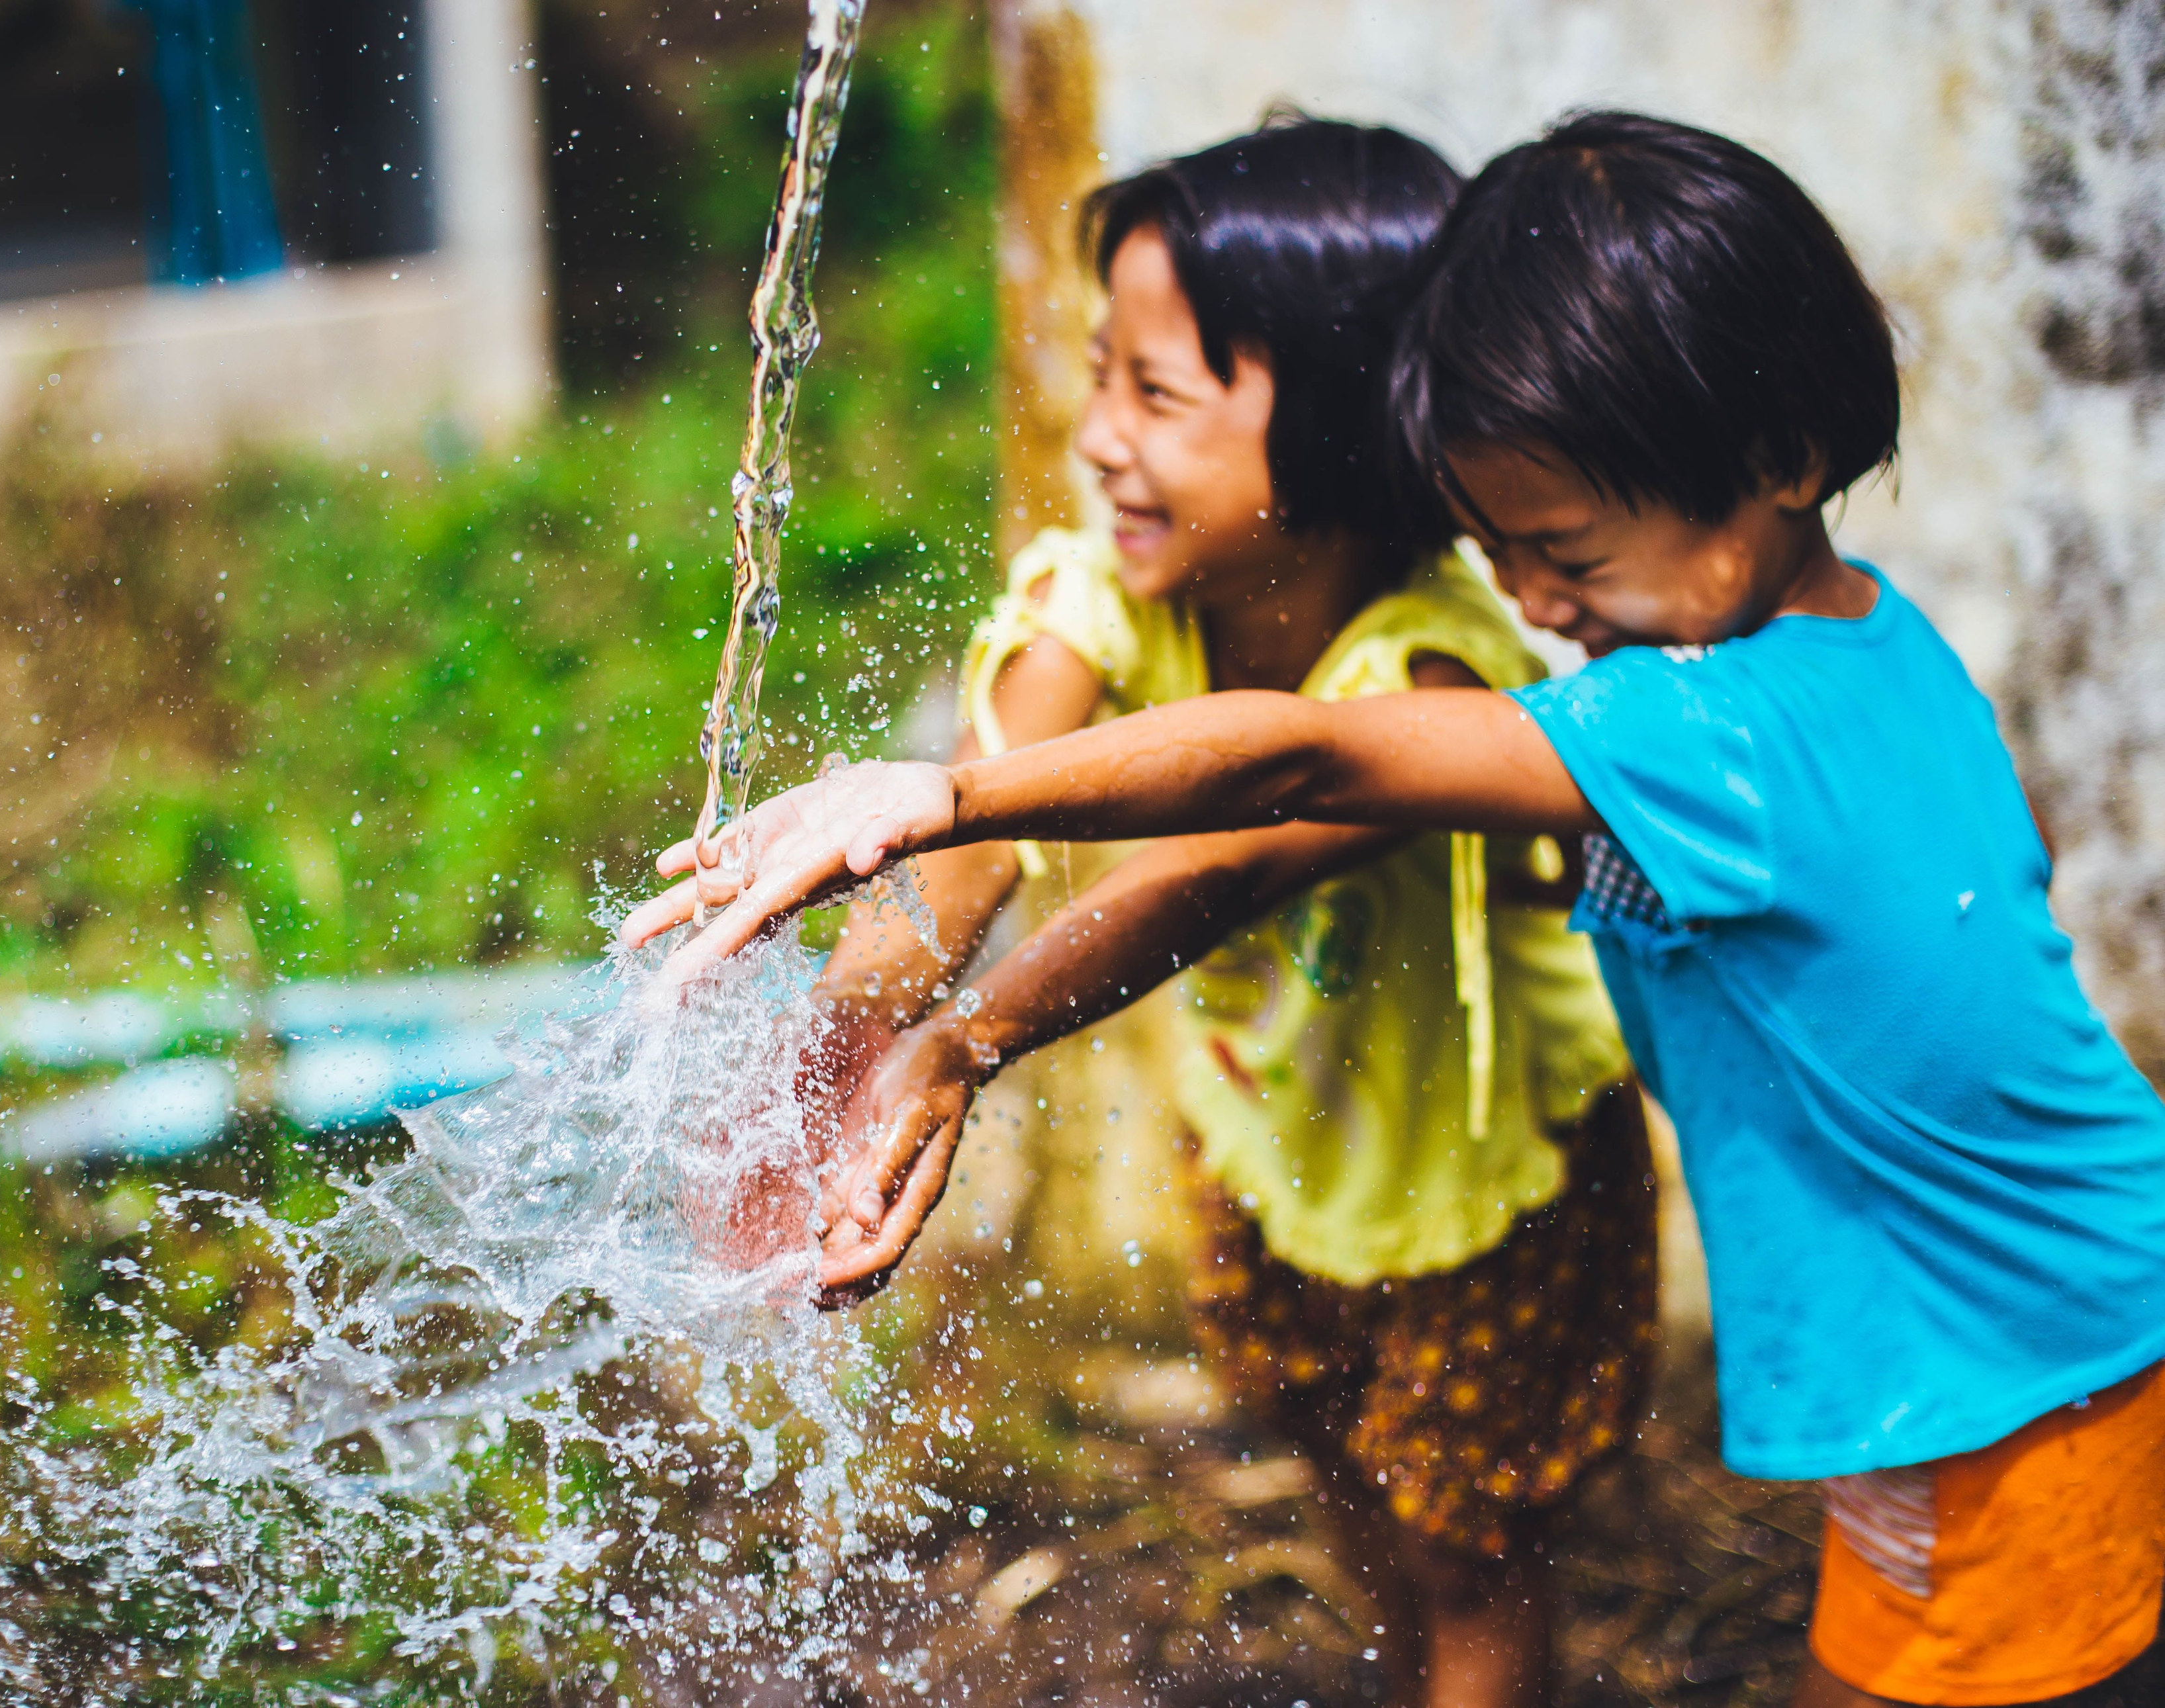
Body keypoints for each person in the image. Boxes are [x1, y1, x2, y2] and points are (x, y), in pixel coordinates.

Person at [626, 111, 2165, 1708]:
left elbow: (1298, 759)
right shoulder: (1866, 648)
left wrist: (944, 794)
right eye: (1504, 553)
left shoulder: (1701, 727)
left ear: (1777, 462)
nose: (1539, 610)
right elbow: (2008, 866)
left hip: (2003, 1352)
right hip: (2045, 1298)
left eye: (1563, 552)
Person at [778, 114, 1651, 1705]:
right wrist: (844, 1034)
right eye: (1100, 372)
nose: (1099, 433)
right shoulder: (1114, 593)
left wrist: (971, 1041)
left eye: (1157, 394)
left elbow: (1217, 865)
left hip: (1491, 1177)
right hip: (1269, 1139)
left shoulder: (1435, 660)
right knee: (1330, 1452)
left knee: (1469, 1546)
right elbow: (977, 822)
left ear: (1339, 432)